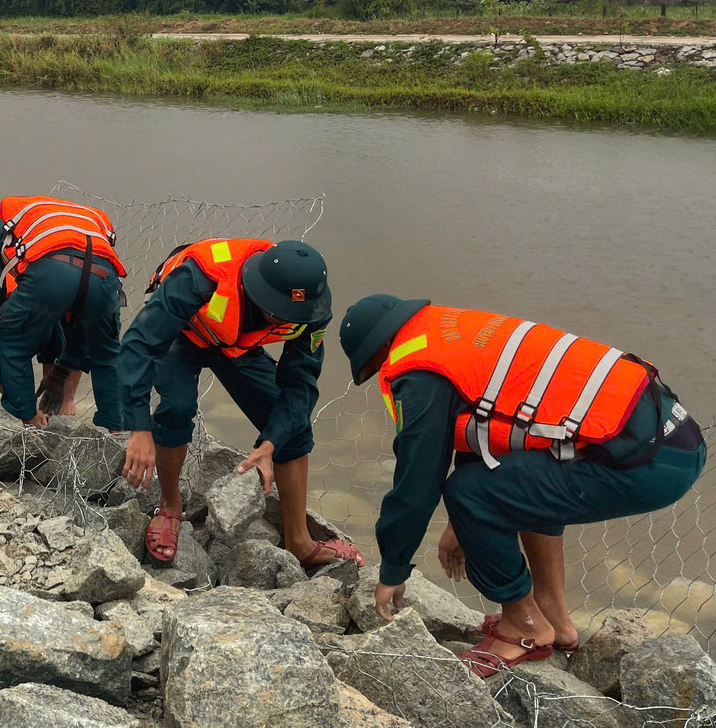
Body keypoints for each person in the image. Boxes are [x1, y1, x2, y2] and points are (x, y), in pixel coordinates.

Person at [339, 294, 705, 678]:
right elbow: (488, 420)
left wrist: (394, 570)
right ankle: (555, 616)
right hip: (674, 438)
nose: (384, 372)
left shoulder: (417, 374)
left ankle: (524, 628)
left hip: (646, 462)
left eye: (375, 366)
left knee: (468, 492)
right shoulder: (452, 330)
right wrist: (460, 527)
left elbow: (417, 481)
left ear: (379, 350)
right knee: (517, 483)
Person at [118, 238, 363, 569]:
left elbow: (300, 386)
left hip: (237, 347)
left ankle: (300, 542)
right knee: (176, 407)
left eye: (289, 315)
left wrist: (270, 443)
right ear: (256, 290)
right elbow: (139, 344)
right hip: (184, 334)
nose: (281, 321)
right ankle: (171, 506)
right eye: (275, 312)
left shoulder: (311, 310)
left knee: (294, 428)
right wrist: (138, 426)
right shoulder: (199, 278)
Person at [0, 198, 121, 424]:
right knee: (106, 352)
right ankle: (117, 428)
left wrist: (59, 381)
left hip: (51, 272)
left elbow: (26, 337)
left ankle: (36, 416)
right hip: (103, 276)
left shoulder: (10, 226)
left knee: (16, 340)